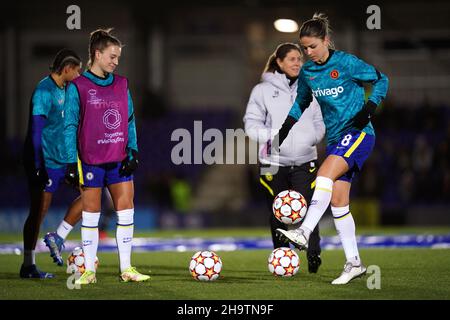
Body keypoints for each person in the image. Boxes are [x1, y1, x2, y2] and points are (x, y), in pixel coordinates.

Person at [274, 13, 389, 284]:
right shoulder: (308, 72)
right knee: (338, 203)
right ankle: (354, 264)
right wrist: (286, 126)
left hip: (358, 133)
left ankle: (303, 231)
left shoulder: (346, 63)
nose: (309, 52)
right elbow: (301, 101)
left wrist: (371, 107)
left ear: (326, 40)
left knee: (323, 176)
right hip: (336, 139)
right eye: (305, 48)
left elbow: (381, 79)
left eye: (313, 46)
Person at [64, 28, 150, 285]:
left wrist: (132, 149)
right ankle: (89, 271)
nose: (115, 62)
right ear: (97, 54)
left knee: (126, 212)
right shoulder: (78, 86)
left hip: (119, 158)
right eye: (112, 56)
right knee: (91, 216)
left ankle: (127, 269)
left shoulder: (122, 83)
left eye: (118, 58)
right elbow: (69, 126)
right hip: (91, 160)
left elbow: (130, 119)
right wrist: (70, 161)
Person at [244, 43, 326, 273]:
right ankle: (282, 259)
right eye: (292, 59)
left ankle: (313, 254)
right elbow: (251, 124)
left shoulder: (312, 87)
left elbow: (320, 121)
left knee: (309, 208)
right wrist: (272, 137)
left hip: (305, 159)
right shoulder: (261, 90)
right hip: (272, 162)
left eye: (300, 59)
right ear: (279, 62)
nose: (298, 62)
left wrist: (312, 137)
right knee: (278, 211)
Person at [21, 49, 82, 278]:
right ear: (67, 69)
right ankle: (28, 265)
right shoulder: (43, 91)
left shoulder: (68, 90)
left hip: (64, 160)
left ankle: (57, 236)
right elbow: (35, 132)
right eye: (77, 70)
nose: (79, 74)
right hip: (45, 161)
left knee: (90, 195)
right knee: (38, 213)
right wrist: (37, 166)